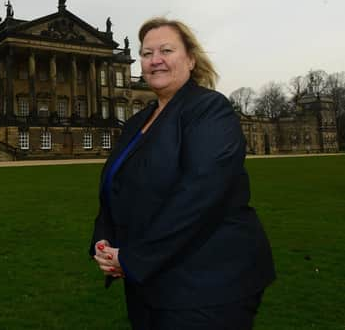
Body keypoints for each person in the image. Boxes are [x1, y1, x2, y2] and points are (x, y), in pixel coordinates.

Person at [89, 17, 275, 329]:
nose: (155, 60)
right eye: (147, 54)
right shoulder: (138, 121)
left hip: (206, 282)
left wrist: (133, 259)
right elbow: (116, 187)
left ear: (190, 59)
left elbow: (201, 195)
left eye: (166, 50)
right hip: (150, 282)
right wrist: (104, 243)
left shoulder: (209, 109)